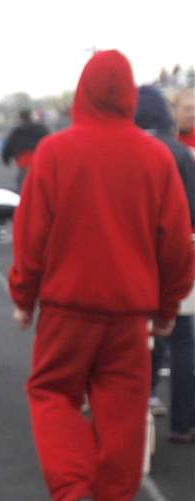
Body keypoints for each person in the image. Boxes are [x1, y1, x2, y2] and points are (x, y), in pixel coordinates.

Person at [8, 50, 193, 501]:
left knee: (51, 393)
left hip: (67, 308)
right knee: (123, 415)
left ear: (83, 92)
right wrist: (168, 306)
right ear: (131, 96)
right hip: (130, 314)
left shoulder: (54, 152)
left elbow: (31, 236)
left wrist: (24, 296)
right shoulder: (158, 158)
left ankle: (72, 493)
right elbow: (176, 242)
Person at [137, 85, 195, 444]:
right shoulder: (179, 154)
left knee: (142, 338)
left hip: (137, 262)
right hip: (177, 255)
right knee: (182, 339)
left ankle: (139, 414)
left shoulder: (130, 151)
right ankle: (183, 422)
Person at [1, 109, 49, 190]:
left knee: (24, 186)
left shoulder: (17, 131)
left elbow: (9, 145)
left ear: (20, 118)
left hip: (23, 161)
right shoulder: (41, 128)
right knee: (42, 186)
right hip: (40, 160)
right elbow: (49, 142)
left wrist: (6, 159)